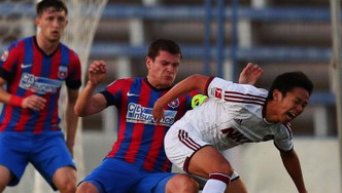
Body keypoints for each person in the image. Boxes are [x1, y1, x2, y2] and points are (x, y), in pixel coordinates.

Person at [74, 38, 263, 193]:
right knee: (85, 190)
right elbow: (82, 110)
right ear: (149, 62)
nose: (170, 70)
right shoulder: (125, 87)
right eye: (165, 63)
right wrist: (91, 84)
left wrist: (242, 89)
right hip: (120, 165)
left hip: (156, 174)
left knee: (186, 186)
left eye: (175, 65)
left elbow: (216, 108)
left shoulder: (184, 96)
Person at [152, 71, 312, 193]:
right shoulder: (244, 97)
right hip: (182, 136)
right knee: (222, 169)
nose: (299, 109)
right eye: (296, 102)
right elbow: (196, 81)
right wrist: (160, 103)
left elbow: (288, 154)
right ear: (277, 95)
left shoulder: (281, 130)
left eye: (303, 105)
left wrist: (302, 191)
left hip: (204, 153)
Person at [0, 0, 80, 193]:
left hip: (48, 136)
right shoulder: (18, 50)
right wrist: (21, 101)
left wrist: (69, 144)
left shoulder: (71, 60)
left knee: (70, 185)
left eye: (60, 19)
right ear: (38, 21)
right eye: (50, 18)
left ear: (66, 23)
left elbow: (73, 104)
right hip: (12, 133)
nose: (55, 24)